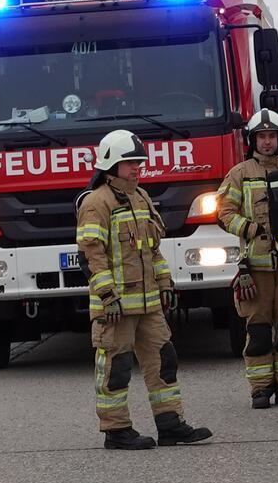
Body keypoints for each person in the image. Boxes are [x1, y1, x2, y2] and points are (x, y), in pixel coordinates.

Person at [77, 130, 213, 450]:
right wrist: (107, 296)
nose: (137, 168)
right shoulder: (97, 202)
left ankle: (171, 424)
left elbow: (153, 250)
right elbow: (90, 255)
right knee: (116, 368)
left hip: (149, 303)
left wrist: (165, 283)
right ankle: (117, 430)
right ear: (111, 164)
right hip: (116, 307)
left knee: (164, 359)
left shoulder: (140, 197)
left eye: (139, 162)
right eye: (130, 163)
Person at [217, 109, 278, 409]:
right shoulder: (240, 174)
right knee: (259, 332)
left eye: (271, 136)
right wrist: (250, 229)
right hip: (255, 270)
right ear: (252, 140)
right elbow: (224, 214)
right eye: (261, 136)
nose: (266, 142)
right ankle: (261, 389)